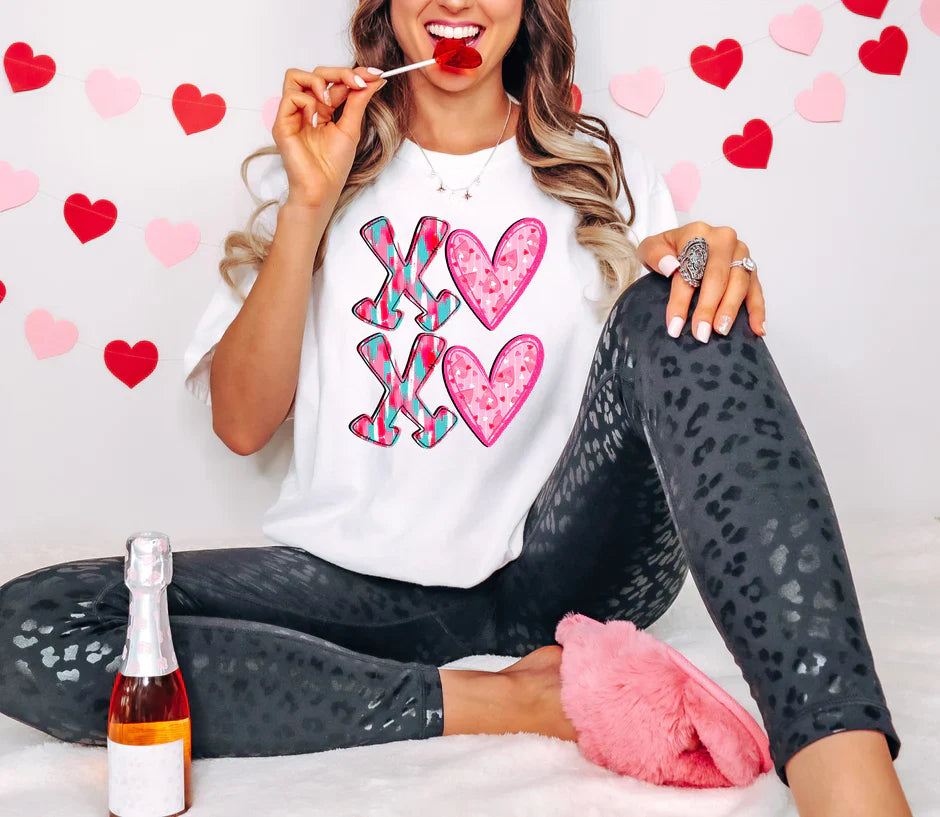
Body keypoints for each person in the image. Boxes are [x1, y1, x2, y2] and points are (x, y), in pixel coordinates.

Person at [0, 1, 911, 814]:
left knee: (684, 302)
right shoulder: (313, 170)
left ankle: (842, 764)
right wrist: (311, 206)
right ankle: (511, 699)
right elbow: (242, 424)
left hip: (568, 576)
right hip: (355, 582)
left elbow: (674, 367)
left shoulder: (601, 172)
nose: (456, 2)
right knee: (29, 626)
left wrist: (707, 271)